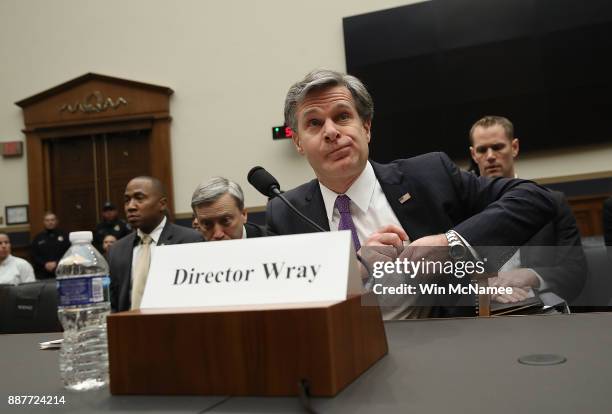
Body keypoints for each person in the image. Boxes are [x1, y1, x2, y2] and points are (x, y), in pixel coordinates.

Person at [266, 69, 557, 318]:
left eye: (342, 116)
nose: (331, 131)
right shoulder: (286, 212)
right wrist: (354, 270)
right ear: (299, 143)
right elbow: (281, 302)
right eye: (314, 123)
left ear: (366, 128)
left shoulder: (428, 176)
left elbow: (533, 198)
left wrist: (450, 244)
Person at [469, 115, 587, 302]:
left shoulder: (552, 202)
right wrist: (481, 286)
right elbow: (444, 276)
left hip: (540, 304)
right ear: (474, 155)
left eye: (498, 147)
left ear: (514, 147)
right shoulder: (462, 209)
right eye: (482, 150)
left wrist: (532, 275)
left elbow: (574, 271)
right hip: (482, 308)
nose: (490, 156)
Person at [108, 176, 203, 312]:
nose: (131, 207)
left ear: (162, 204)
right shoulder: (117, 250)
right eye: (127, 200)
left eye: (139, 198)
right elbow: (114, 305)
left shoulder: (189, 241)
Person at [191, 177, 269, 240]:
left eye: (225, 221)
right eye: (207, 224)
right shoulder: (189, 249)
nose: (218, 235)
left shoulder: (271, 241)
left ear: (243, 214)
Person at [30, 212, 70, 279]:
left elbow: (68, 253)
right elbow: (34, 255)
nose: (50, 222)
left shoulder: (65, 236)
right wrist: (45, 264)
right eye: (47, 220)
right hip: (43, 272)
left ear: (56, 221)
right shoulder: (38, 238)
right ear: (44, 222)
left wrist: (57, 263)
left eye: (52, 220)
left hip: (62, 270)